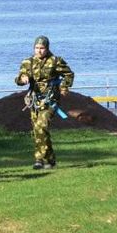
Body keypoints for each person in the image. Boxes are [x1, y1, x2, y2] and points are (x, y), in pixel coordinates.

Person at [15, 35, 74, 169]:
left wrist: (64, 87)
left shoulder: (55, 61)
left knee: (41, 126)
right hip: (35, 101)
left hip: (50, 100)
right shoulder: (28, 62)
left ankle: (39, 159)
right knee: (38, 130)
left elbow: (69, 74)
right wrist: (22, 79)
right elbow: (19, 78)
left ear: (47, 48)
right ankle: (50, 159)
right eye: (37, 48)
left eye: (42, 48)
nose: (39, 51)